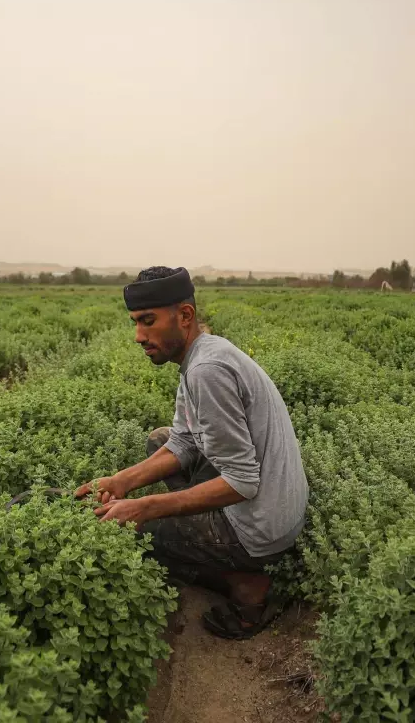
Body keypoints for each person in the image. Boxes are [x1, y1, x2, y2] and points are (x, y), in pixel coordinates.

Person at [75, 266, 309, 639]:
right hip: (272, 504)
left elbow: (242, 482)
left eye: (148, 321)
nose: (138, 336)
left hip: (263, 526)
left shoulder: (207, 370)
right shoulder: (201, 354)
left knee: (136, 532)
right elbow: (183, 440)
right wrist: (121, 481)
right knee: (161, 440)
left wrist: (146, 507)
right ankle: (200, 539)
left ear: (184, 316)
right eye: (135, 322)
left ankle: (248, 587)